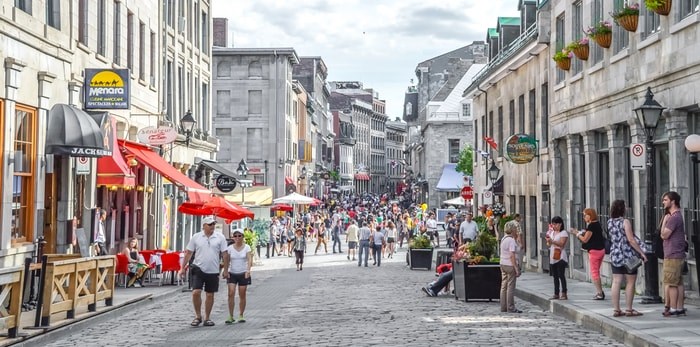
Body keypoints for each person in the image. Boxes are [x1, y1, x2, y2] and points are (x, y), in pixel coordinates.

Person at [179, 216, 228, 327]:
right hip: (198, 268)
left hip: (213, 269)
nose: (212, 226)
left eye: (213, 224)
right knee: (196, 292)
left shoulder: (220, 237)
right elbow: (189, 252)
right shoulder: (196, 237)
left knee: (210, 295)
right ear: (204, 226)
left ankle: (207, 317)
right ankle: (197, 316)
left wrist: (226, 269)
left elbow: (225, 254)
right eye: (210, 224)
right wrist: (182, 267)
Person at [608, 200, 647, 317]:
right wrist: (642, 253)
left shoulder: (610, 222)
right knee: (630, 282)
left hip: (615, 254)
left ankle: (616, 309)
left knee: (616, 281)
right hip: (627, 255)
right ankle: (629, 309)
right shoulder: (625, 222)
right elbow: (631, 240)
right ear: (622, 209)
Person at [660, 191, 687, 317]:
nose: (663, 202)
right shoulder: (678, 216)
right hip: (678, 254)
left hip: (672, 254)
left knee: (671, 284)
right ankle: (680, 307)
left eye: (665, 200)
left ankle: (673, 308)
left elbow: (664, 235)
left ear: (673, 201)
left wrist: (664, 221)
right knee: (678, 283)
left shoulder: (673, 217)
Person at [572, 208, 606, 300]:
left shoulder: (591, 226)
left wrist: (577, 234)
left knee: (594, 272)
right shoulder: (597, 224)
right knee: (597, 271)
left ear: (590, 216)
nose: (583, 217)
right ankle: (600, 291)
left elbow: (585, 239)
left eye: (585, 215)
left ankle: (599, 293)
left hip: (595, 251)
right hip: (601, 250)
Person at [222, 229, 252, 324]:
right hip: (233, 273)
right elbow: (227, 260)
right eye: (235, 236)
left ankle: (241, 315)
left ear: (243, 237)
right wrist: (225, 270)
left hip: (243, 272)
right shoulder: (230, 248)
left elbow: (249, 259)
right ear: (233, 237)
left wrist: (248, 270)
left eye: (239, 236)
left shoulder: (247, 247)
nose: (237, 238)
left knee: (242, 294)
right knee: (231, 293)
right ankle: (230, 315)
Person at [500, 220, 522, 313]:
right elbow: (512, 255)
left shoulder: (504, 238)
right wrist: (516, 267)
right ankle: (511, 307)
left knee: (504, 286)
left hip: (503, 263)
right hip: (509, 264)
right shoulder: (511, 240)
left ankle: (503, 306)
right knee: (510, 286)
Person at [546, 216, 569, 300]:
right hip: (553, 255)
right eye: (553, 224)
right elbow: (549, 244)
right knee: (555, 276)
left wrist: (553, 241)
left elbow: (562, 244)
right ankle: (556, 293)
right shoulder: (552, 233)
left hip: (560, 256)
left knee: (561, 275)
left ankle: (564, 292)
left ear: (560, 224)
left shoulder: (563, 233)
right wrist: (549, 242)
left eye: (555, 224)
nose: (554, 226)